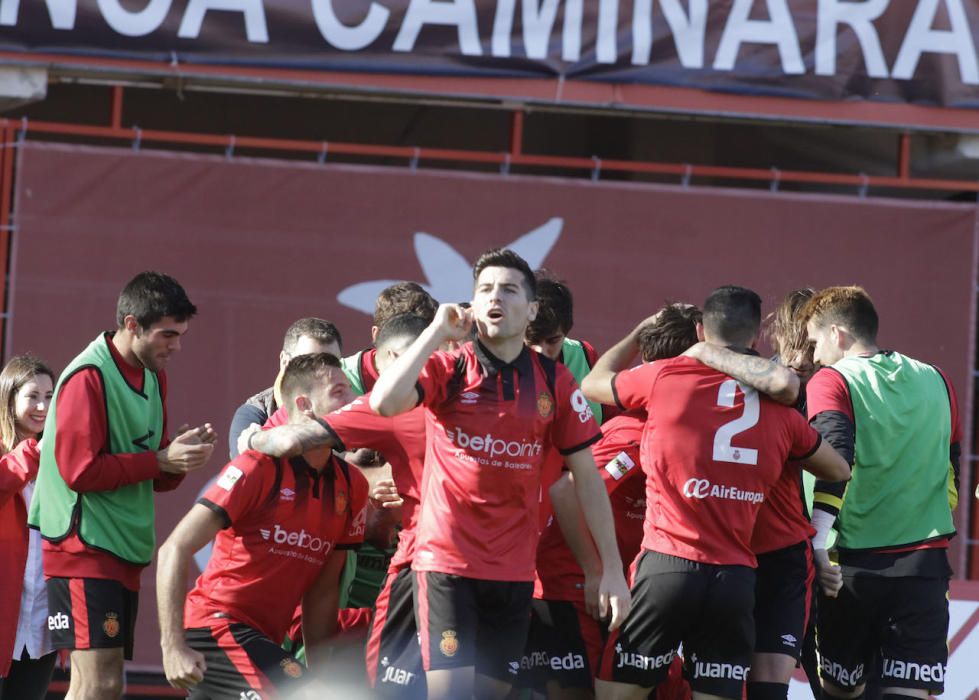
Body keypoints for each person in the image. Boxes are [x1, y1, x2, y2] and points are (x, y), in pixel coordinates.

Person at [369, 248, 631, 700]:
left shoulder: (554, 382)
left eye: (509, 290)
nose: (496, 297)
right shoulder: (450, 368)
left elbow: (584, 478)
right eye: (485, 289)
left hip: (513, 572)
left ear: (530, 310)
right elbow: (384, 403)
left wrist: (610, 569)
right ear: (472, 305)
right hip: (447, 565)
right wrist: (435, 331)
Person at [582, 285, 850, 700]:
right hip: (736, 576)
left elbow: (593, 383)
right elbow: (837, 468)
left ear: (700, 331)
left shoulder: (666, 377)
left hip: (668, 565)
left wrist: (640, 334)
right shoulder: (778, 407)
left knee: (615, 694)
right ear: (755, 339)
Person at [28, 271, 216, 700]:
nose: (176, 346)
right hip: (81, 548)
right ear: (131, 324)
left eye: (181, 335)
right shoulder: (87, 377)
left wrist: (177, 460)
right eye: (168, 335)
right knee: (99, 684)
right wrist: (159, 460)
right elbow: (79, 472)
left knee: (101, 686)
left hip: (120, 548)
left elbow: (153, 471)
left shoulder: (154, 375)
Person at [157, 353, 369, 699]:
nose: (355, 401)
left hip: (261, 643)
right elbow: (173, 549)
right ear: (305, 405)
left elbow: (322, 592)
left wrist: (319, 677)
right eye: (339, 392)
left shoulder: (353, 485)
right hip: (215, 629)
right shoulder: (257, 467)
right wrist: (172, 647)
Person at [246, 312, 432, 698]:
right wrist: (252, 441)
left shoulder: (419, 417)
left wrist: (396, 511)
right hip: (256, 627)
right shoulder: (263, 431)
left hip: (371, 608)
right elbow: (180, 548)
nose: (349, 398)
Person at [525, 303, 701, 700]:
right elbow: (566, 491)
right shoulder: (634, 432)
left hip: (621, 589)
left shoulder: (678, 425)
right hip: (574, 587)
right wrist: (596, 571)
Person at [802, 286, 960, 700]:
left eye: (815, 343)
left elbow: (834, 460)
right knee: (907, 692)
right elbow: (953, 466)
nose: (814, 356)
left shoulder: (831, 380)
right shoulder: (937, 378)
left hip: (852, 568)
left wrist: (818, 542)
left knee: (840, 691)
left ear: (837, 333)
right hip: (924, 566)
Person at [0, 356, 56, 700]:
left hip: (42, 615)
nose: (42, 406)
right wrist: (33, 453)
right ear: (9, 397)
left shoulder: (57, 459)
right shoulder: (35, 452)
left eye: (50, 397)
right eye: (33, 396)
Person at [228, 317, 342, 458]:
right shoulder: (256, 413)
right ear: (285, 361)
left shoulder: (349, 403)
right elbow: (245, 469)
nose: (323, 374)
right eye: (309, 364)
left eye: (332, 363)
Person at [526, 273, 607, 423]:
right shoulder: (495, 364)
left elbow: (611, 421)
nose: (542, 351)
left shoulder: (584, 355)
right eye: (533, 340)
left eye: (553, 340)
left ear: (566, 331)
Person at [341, 282, 438, 395]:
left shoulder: (445, 373)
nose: (416, 355)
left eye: (427, 343)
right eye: (406, 345)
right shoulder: (336, 380)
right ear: (376, 335)